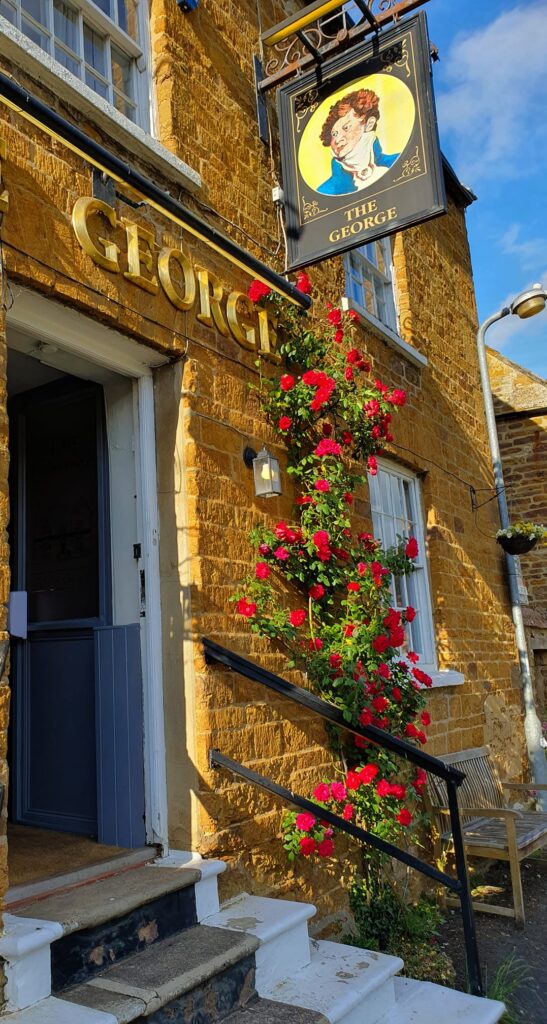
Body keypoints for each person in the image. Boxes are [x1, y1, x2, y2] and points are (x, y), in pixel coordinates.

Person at [316, 88, 399, 195]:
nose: (337, 139)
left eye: (346, 128)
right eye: (334, 134)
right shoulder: (325, 193)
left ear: (369, 124)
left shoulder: (398, 162)